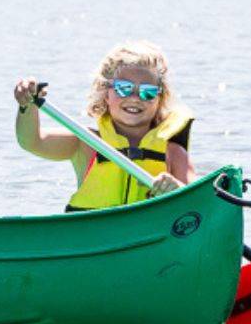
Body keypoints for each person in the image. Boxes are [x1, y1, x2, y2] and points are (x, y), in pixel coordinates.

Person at [13, 41, 195, 211]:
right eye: (123, 88)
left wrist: (176, 190)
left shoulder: (174, 153)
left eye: (148, 92)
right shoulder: (85, 142)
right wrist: (27, 106)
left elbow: (200, 202)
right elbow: (32, 142)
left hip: (151, 233)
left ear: (159, 99)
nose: (135, 98)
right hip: (93, 237)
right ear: (105, 94)